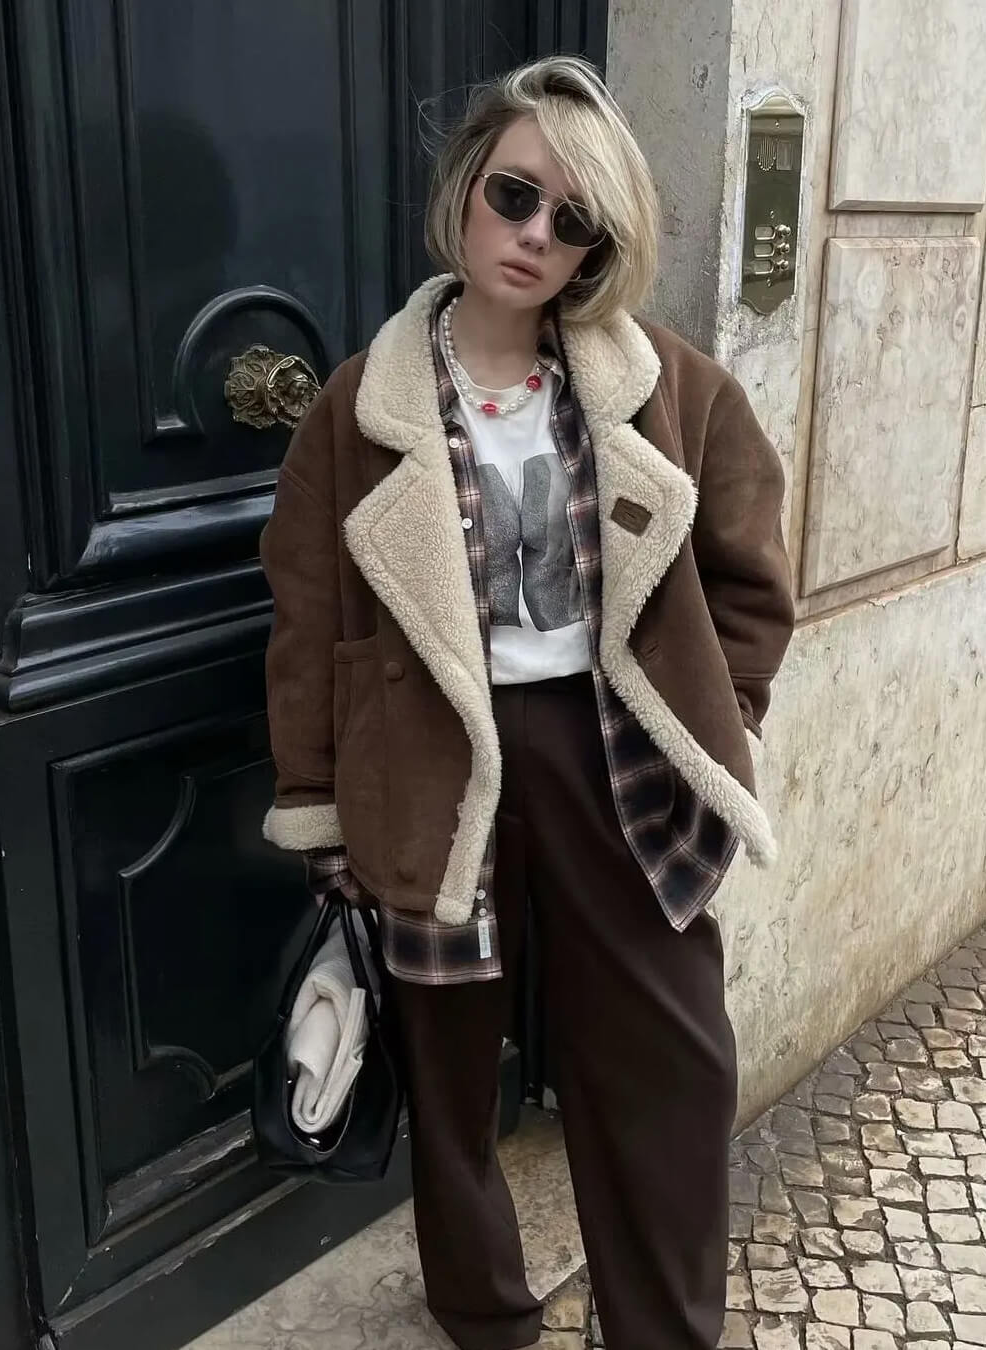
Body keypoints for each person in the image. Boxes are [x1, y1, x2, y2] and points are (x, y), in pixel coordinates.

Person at [259, 53, 794, 1350]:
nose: (537, 233)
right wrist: (322, 809)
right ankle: (485, 1314)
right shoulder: (359, 408)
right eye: (516, 194)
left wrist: (719, 715)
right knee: (449, 1074)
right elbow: (308, 620)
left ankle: (662, 1327)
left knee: (670, 1060)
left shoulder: (667, 387)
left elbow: (750, 572)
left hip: (615, 753)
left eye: (576, 219)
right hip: (431, 760)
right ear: (464, 190)